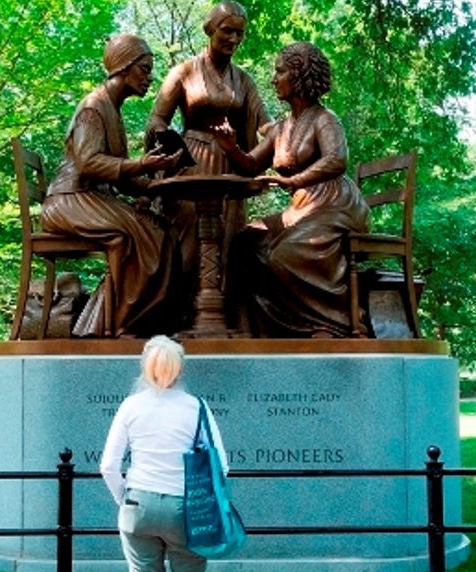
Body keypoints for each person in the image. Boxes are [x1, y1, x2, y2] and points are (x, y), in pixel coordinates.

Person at [214, 41, 371, 337]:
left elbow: (337, 160)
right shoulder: (283, 127)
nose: (274, 79)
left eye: (280, 71)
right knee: (244, 243)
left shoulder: (326, 119)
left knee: (283, 254)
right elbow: (250, 165)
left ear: (299, 75)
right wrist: (232, 148)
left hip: (334, 204)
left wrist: (295, 181)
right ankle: (254, 329)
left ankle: (331, 323)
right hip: (301, 207)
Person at [100, 335, 228, 572]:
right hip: (185, 510)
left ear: (144, 365)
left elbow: (109, 465)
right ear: (180, 368)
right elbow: (222, 466)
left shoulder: (131, 407)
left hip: (138, 505)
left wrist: (124, 498)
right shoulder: (196, 407)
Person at [42, 35, 183, 338]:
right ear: (123, 67)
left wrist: (157, 184)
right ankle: (118, 323)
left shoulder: (113, 110)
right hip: (69, 200)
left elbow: (124, 177)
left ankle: (127, 320)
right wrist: (143, 165)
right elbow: (88, 163)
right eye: (144, 69)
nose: (149, 77)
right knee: (132, 234)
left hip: (91, 198)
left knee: (163, 231)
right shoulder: (94, 107)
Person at [146, 1, 273, 322]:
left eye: (239, 33)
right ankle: (179, 319)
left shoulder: (243, 80)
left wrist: (291, 131)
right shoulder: (185, 71)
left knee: (228, 245)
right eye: (226, 30)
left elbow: (265, 123)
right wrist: (166, 143)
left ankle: (218, 320)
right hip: (191, 163)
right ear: (210, 30)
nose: (233, 39)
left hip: (228, 167)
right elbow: (156, 120)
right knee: (187, 249)